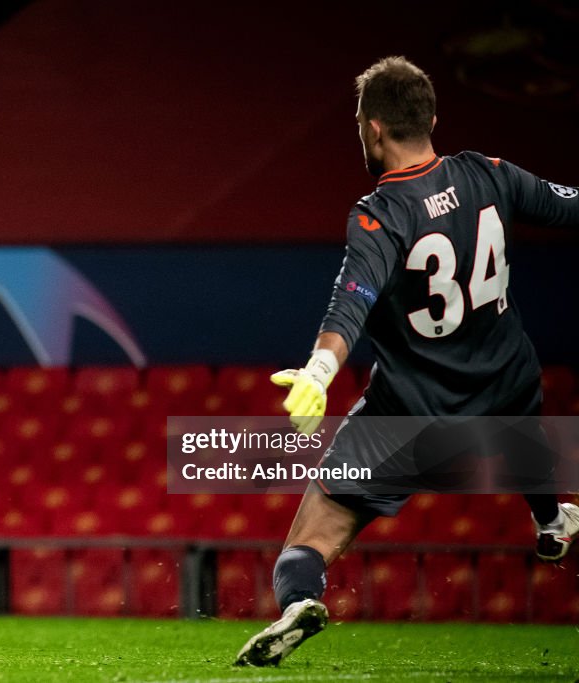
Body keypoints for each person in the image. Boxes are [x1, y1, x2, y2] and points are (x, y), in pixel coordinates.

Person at [235, 56, 579, 667]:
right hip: (506, 382)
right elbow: (571, 206)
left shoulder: (379, 214)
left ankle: (298, 604)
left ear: (372, 130)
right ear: (432, 118)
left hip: (412, 413)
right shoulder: (488, 173)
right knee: (526, 424)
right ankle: (551, 520)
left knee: (312, 534)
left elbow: (352, 303)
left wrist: (318, 373)